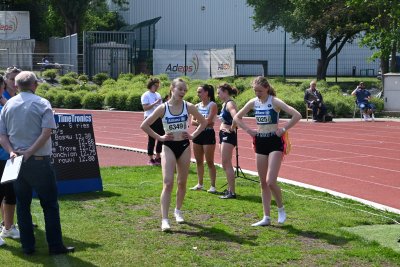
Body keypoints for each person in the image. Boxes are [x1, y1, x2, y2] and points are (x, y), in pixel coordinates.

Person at [0, 71, 74, 255]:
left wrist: (11, 151)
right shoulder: (42, 103)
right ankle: (55, 245)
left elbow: (2, 135)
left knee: (22, 205)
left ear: (16, 86)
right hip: (39, 161)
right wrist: (30, 152)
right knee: (49, 204)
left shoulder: (8, 105)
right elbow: (47, 132)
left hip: (16, 162)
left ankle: (27, 247)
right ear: (35, 85)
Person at [140, 78, 206, 231]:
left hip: (183, 146)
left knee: (182, 182)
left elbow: (204, 122)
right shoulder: (163, 108)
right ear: (172, 89)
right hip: (168, 146)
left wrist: (193, 135)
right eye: (180, 89)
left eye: (185, 90)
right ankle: (164, 219)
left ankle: (178, 211)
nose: (182, 92)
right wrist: (160, 137)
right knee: (168, 182)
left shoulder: (188, 106)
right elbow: (144, 125)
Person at [234, 76, 301, 226]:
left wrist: (283, 129)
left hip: (274, 141)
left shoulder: (274, 101)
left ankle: (281, 208)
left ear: (266, 88)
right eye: (255, 90)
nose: (257, 93)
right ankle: (266, 217)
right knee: (263, 182)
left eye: (260, 90)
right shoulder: (253, 102)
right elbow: (237, 117)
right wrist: (249, 130)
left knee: (270, 181)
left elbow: (297, 115)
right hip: (260, 142)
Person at [0, 76, 20, 246]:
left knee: (11, 193)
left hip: (8, 157)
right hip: (4, 155)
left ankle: (8, 227)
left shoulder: (5, 105)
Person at [190, 84, 218, 193]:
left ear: (207, 93)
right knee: (198, 161)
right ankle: (200, 184)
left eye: (200, 91)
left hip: (208, 134)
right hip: (197, 134)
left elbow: (210, 121)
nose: (198, 94)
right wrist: (203, 122)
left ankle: (213, 186)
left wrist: (202, 122)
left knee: (210, 161)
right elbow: (192, 121)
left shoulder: (212, 105)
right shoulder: (196, 106)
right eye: (198, 92)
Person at [217, 83, 239, 199]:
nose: (218, 95)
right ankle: (230, 189)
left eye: (219, 92)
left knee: (226, 163)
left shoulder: (230, 103)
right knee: (224, 164)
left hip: (228, 135)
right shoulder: (224, 103)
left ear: (225, 92)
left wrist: (231, 128)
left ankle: (232, 192)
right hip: (223, 134)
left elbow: (236, 117)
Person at [141, 77, 164, 165]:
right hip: (149, 118)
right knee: (152, 139)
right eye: (156, 85)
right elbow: (145, 108)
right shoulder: (146, 95)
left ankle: (158, 157)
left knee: (161, 137)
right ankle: (150, 159)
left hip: (158, 118)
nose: (157, 87)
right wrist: (155, 103)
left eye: (158, 85)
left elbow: (161, 106)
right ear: (151, 85)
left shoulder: (158, 94)